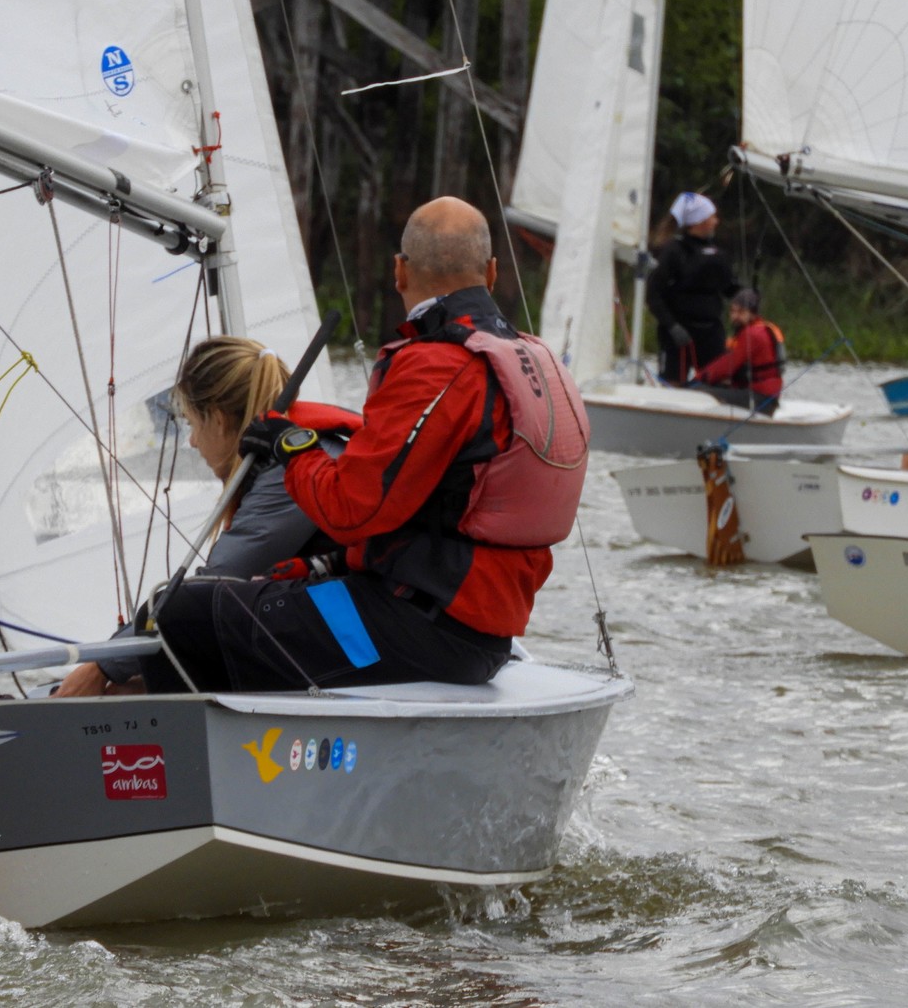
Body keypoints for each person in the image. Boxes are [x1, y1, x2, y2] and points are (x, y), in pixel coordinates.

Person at [107, 196, 589, 696]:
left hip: (419, 631)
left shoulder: (438, 365)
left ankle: (156, 749)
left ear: (400, 272)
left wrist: (291, 446)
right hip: (485, 635)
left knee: (182, 612)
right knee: (259, 599)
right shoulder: (536, 360)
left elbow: (351, 510)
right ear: (491, 273)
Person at [53, 335, 361, 696]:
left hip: (359, 642)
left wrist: (103, 664)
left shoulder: (290, 471)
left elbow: (216, 582)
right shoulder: (296, 452)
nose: (193, 442)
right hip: (344, 626)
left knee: (189, 610)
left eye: (191, 424)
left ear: (216, 419)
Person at [647, 192, 739, 384]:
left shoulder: (717, 253)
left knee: (718, 383)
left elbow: (729, 288)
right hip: (678, 333)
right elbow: (653, 294)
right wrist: (672, 326)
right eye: (712, 217)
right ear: (699, 221)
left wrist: (746, 295)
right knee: (673, 382)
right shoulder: (674, 251)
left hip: (710, 331)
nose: (716, 221)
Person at [689, 288, 785, 415]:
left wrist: (698, 379)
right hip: (761, 396)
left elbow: (728, 365)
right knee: (708, 387)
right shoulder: (753, 330)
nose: (735, 316)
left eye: (741, 312)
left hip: (759, 399)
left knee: (698, 391)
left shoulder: (752, 335)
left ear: (753, 314)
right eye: (733, 311)